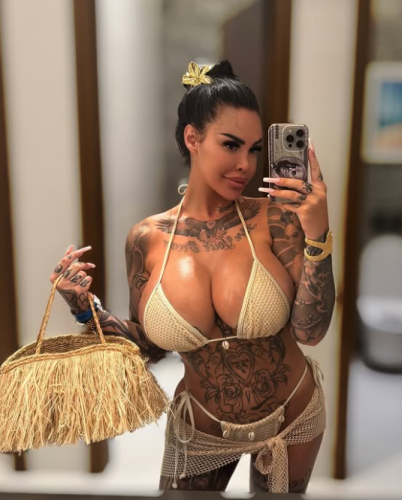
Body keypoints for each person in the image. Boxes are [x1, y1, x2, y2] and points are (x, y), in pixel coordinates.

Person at [49, 60, 335, 494]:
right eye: (231, 145)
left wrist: (318, 235)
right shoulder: (146, 239)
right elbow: (149, 346)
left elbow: (310, 332)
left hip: (290, 419)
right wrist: (84, 308)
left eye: (255, 149)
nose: (245, 164)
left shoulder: (276, 219)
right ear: (192, 138)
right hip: (202, 428)